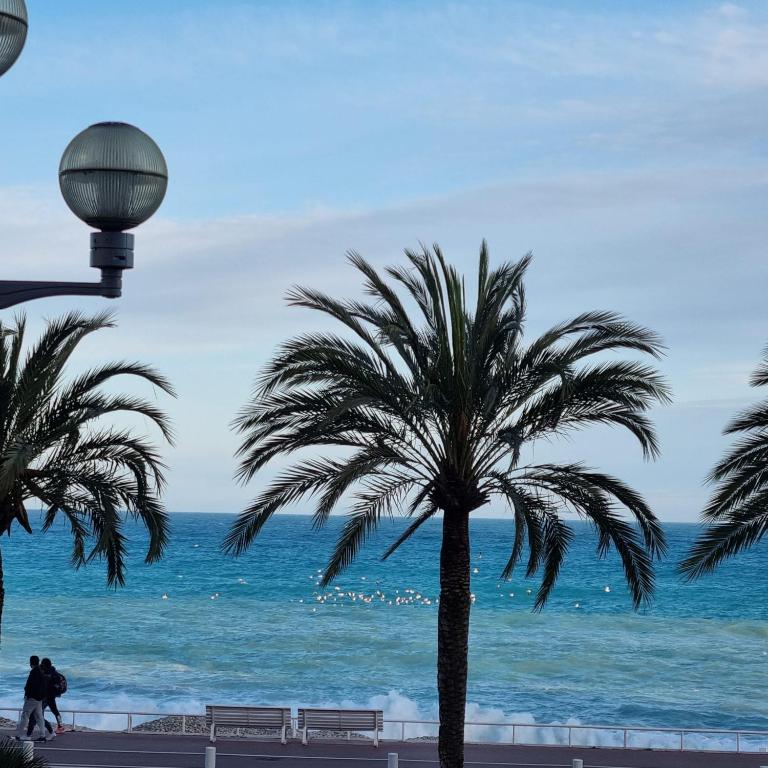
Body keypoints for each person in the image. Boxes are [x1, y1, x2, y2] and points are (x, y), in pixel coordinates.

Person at [14, 656, 50, 742]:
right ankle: (42, 735)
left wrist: (28, 694)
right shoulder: (41, 672)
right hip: (39, 699)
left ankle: (18, 735)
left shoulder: (34, 672)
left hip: (31, 698)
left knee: (25, 716)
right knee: (39, 717)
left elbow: (31, 686)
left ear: (31, 663)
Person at [27, 658, 64, 736]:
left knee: (38, 713)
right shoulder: (53, 672)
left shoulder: (46, 673)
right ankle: (60, 727)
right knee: (54, 711)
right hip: (51, 695)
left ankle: (34, 732)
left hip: (47, 696)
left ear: (44, 664)